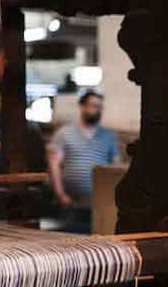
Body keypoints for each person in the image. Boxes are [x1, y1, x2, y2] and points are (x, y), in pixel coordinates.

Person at [47, 90, 119, 233]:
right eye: (93, 106)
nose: (97, 110)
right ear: (82, 106)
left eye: (99, 107)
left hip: (99, 203)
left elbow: (115, 168)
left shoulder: (108, 136)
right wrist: (61, 194)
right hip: (70, 202)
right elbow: (54, 165)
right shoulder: (64, 133)